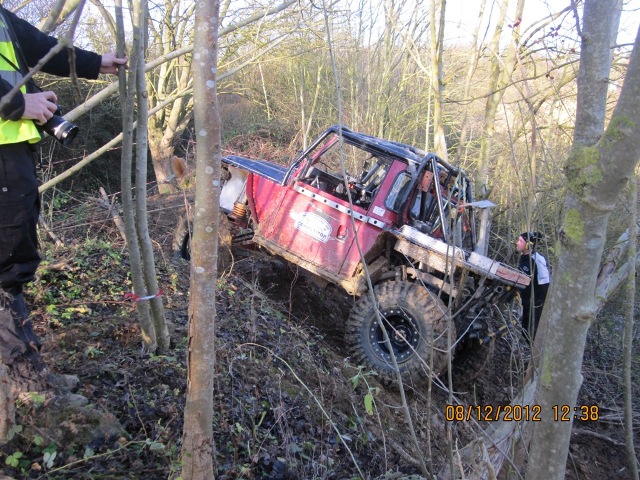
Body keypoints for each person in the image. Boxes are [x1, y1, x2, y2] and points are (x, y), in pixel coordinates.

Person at [0, 5, 127, 371]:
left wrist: (96, 63)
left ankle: (19, 357)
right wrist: (18, 103)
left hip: (13, 150)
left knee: (16, 246)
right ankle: (17, 366)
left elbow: (43, 48)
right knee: (7, 256)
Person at [516, 231, 550, 341]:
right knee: (525, 331)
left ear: (528, 245)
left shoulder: (538, 260)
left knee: (532, 333)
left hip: (535, 305)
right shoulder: (524, 258)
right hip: (526, 302)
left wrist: (537, 305)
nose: (517, 243)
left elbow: (545, 284)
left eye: (520, 241)